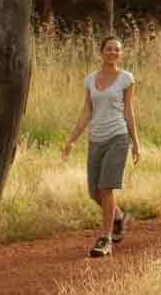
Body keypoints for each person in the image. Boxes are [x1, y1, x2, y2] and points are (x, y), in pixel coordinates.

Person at [58, 35, 140, 257]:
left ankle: (106, 239)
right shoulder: (90, 79)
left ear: (120, 54)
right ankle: (120, 217)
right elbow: (87, 111)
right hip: (96, 138)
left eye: (117, 50)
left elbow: (129, 111)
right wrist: (71, 140)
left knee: (106, 188)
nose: (113, 52)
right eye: (109, 49)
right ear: (101, 52)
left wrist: (135, 142)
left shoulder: (126, 79)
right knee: (94, 192)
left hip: (118, 136)